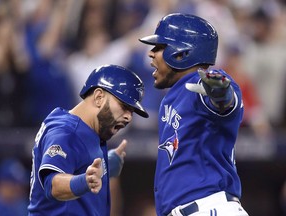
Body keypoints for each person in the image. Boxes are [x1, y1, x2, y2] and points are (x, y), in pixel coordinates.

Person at [139, 13, 249, 216]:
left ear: (181, 53)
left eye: (159, 47)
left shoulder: (204, 84)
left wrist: (221, 95)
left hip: (210, 209)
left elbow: (224, 102)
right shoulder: (172, 96)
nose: (151, 54)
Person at [27, 64, 149, 216]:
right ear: (98, 97)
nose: (129, 117)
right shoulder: (66, 132)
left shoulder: (90, 131)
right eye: (124, 106)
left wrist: (106, 166)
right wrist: (85, 181)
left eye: (132, 111)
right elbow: (53, 185)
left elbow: (78, 165)